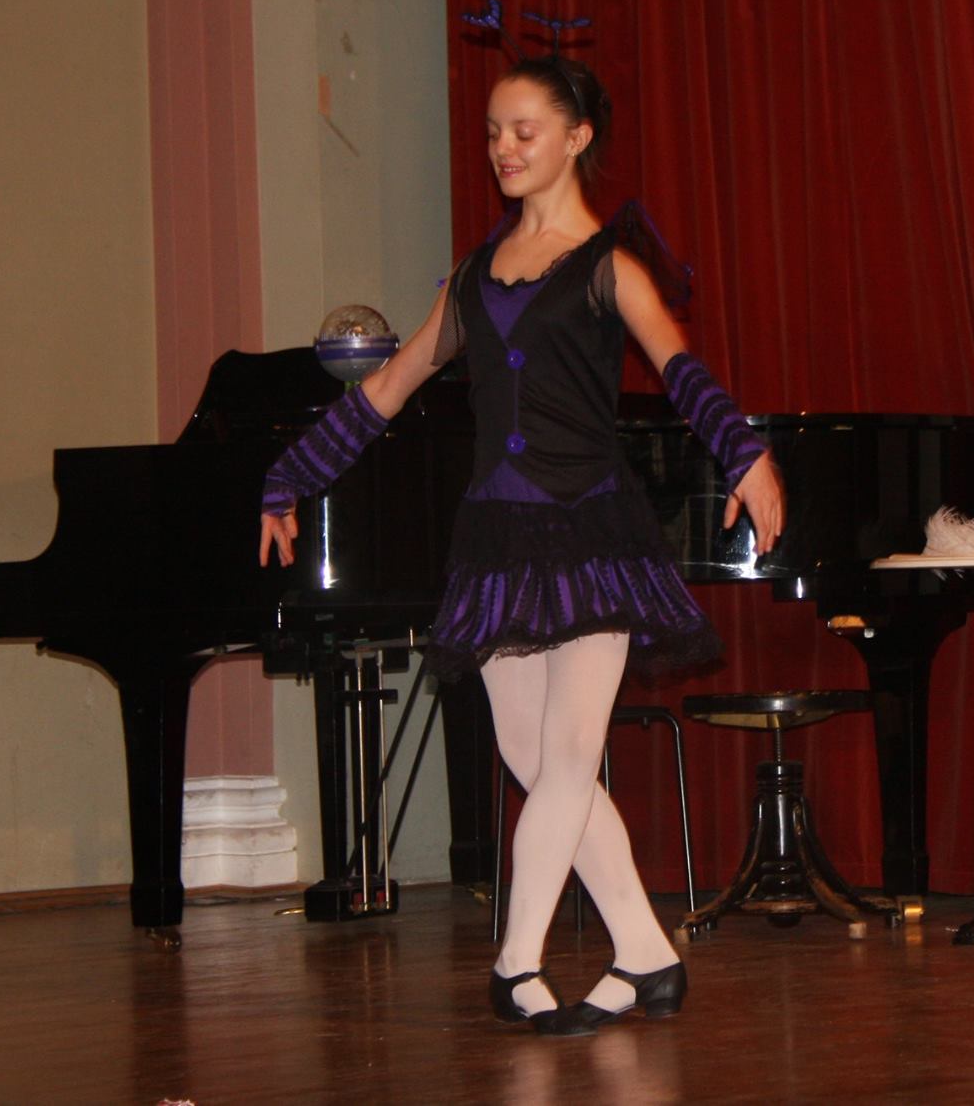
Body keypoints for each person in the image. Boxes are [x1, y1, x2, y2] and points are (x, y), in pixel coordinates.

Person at [257, 51, 784, 1037]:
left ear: (575, 139)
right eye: (494, 131)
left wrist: (745, 453)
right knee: (537, 761)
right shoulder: (471, 279)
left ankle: (515, 961)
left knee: (571, 752)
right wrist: (291, 473)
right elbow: (390, 386)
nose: (503, 147)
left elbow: (679, 369)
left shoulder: (608, 269)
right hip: (497, 542)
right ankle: (646, 954)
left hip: (592, 533)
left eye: (524, 130)